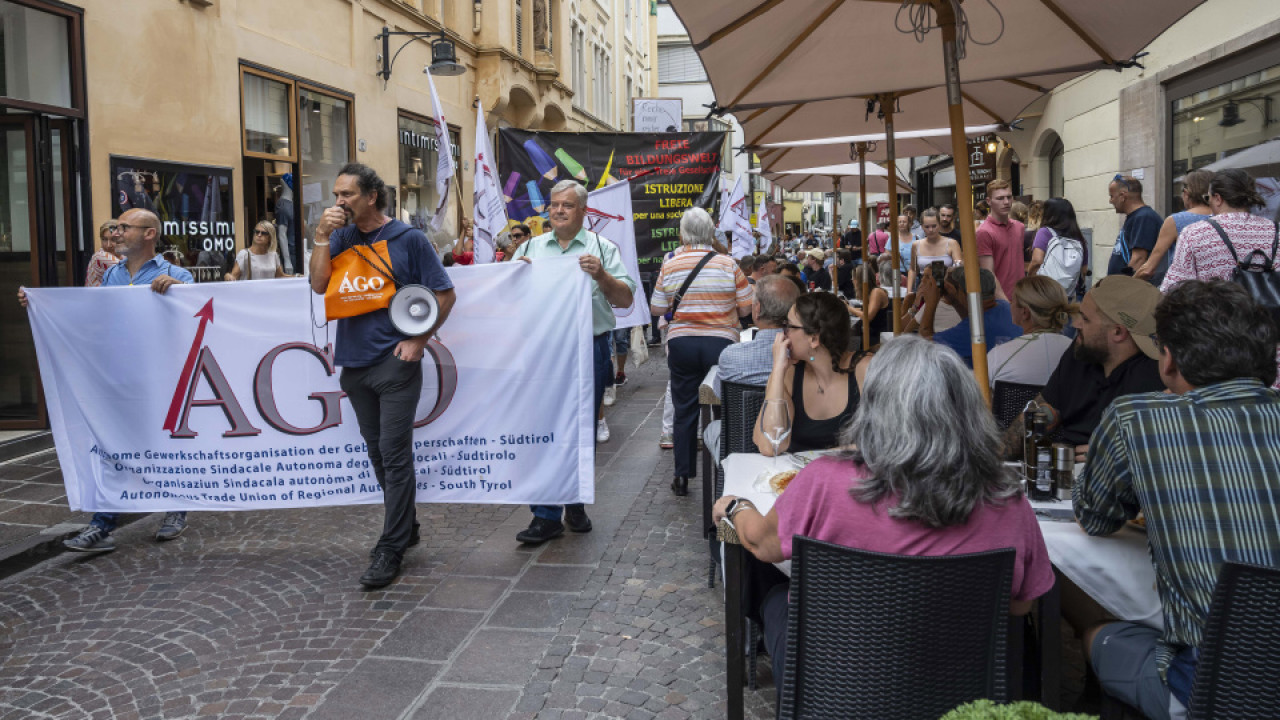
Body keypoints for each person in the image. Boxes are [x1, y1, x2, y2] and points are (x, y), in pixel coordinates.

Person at [714, 336, 1055, 703]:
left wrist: (735, 506)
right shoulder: (1007, 500)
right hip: (961, 688)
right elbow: (1020, 605)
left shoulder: (825, 481)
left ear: (874, 409)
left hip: (839, 683)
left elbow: (762, 543)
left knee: (774, 594)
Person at [1072, 280, 1280, 720]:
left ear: (1167, 358)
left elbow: (1095, 517)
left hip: (1212, 687)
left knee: (1096, 628)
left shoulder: (1136, 418)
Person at [308, 163, 457, 588]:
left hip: (395, 362)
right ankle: (406, 527)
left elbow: (445, 293)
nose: (339, 201)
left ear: (371, 196)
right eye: (336, 195)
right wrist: (321, 237)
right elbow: (319, 286)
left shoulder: (408, 239)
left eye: (347, 195)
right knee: (377, 453)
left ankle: (390, 548)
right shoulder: (338, 238)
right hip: (353, 364)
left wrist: (419, 341)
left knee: (394, 454)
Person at [19, 209, 195, 553]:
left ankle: (177, 509)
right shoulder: (109, 276)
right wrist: (39, 304)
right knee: (111, 448)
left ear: (149, 234)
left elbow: (199, 319)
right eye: (116, 227)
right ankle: (102, 525)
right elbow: (87, 315)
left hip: (161, 381)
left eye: (124, 227)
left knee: (168, 446)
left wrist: (180, 292)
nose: (115, 233)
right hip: (115, 380)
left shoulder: (176, 274)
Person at [510, 180, 635, 540]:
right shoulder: (531, 247)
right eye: (553, 205)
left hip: (588, 345)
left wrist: (601, 275)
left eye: (567, 205)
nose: (558, 210)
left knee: (582, 427)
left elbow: (625, 299)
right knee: (543, 426)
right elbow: (506, 295)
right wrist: (516, 275)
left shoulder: (603, 248)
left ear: (583, 211)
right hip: (542, 348)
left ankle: (576, 500)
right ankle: (546, 515)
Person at [1000, 275, 1166, 462]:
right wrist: (994, 460)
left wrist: (1115, 457)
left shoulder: (1159, 376)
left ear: (1118, 332)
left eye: (1085, 319)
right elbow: (1043, 411)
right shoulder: (1082, 352)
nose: (1075, 324)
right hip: (1063, 472)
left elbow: (1168, 450)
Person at [651, 207, 752, 497]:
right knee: (725, 410)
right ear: (711, 233)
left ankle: (682, 475)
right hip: (721, 343)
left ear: (682, 234)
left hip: (682, 342)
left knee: (684, 409)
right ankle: (726, 473)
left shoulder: (670, 265)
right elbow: (746, 308)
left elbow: (656, 308)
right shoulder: (728, 264)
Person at [1161, 168, 1280, 386]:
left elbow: (1173, 290)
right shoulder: (1276, 232)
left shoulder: (1194, 233)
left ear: (1217, 198)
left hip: (1213, 349)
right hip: (1270, 350)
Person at [754, 292, 869, 455]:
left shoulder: (865, 370)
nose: (782, 334)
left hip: (853, 477)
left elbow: (887, 441)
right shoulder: (790, 375)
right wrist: (778, 370)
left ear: (814, 338)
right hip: (799, 477)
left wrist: (820, 460)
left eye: (789, 326)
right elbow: (770, 446)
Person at [918, 266, 1021, 368]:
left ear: (952, 288)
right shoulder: (1005, 306)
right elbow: (971, 320)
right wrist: (955, 301)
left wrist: (930, 303)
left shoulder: (970, 330)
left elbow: (926, 345)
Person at [987, 276, 1076, 388]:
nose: (1010, 304)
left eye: (1013, 300)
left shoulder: (998, 356)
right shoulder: (1077, 351)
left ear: (1025, 312)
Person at [1135, 170, 1213, 284]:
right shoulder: (1223, 217)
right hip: (1221, 291)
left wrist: (1131, 284)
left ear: (1186, 194)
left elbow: (1148, 269)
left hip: (1186, 292)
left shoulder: (1175, 221)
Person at [1027, 198, 1088, 297]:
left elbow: (1037, 261)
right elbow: (1084, 270)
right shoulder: (1079, 238)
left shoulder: (1045, 232)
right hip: (1070, 294)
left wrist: (1029, 278)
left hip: (1046, 294)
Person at [976, 179, 1025, 300]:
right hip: (1000, 301)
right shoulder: (984, 232)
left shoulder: (1019, 227)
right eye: (1000, 198)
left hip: (1022, 298)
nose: (1006, 202)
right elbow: (989, 274)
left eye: (1009, 197)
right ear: (989, 201)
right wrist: (1006, 304)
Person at [1107, 174, 1162, 279]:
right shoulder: (1136, 217)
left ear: (1123, 196)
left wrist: (1126, 288)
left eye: (1112, 196)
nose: (1110, 201)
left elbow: (1139, 259)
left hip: (1131, 290)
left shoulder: (1144, 217)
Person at [905, 208, 963, 292]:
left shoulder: (952, 243)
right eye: (927, 227)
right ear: (922, 227)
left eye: (934, 226)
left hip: (947, 290)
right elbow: (913, 270)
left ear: (939, 225)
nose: (931, 230)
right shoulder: (916, 245)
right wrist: (909, 291)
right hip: (923, 289)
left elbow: (959, 268)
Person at [849, 256, 896, 343]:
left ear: (859, 280)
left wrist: (849, 308)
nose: (852, 280)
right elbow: (865, 310)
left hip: (879, 337)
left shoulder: (876, 292)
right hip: (873, 333)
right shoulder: (871, 293)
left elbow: (868, 317)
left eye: (854, 278)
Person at [84, 219, 120, 287]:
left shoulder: (122, 255)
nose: (108, 245)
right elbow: (130, 272)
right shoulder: (101, 256)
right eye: (104, 239)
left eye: (113, 239)